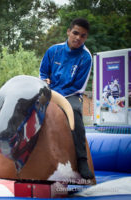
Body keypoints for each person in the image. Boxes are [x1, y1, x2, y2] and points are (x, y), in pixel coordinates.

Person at [39, 18, 93, 179]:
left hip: (71, 95)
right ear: (69, 32)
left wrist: (57, 96)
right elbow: (43, 72)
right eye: (75, 33)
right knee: (24, 105)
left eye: (82, 36)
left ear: (85, 38)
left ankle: (82, 160)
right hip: (48, 91)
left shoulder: (86, 57)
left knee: (75, 112)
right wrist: (44, 82)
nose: (78, 38)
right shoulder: (53, 50)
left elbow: (79, 86)